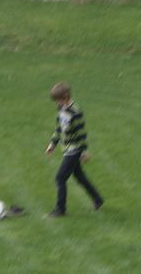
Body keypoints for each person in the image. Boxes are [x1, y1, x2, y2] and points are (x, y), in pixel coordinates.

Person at [45, 82, 103, 217]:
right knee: (79, 176)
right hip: (67, 148)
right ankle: (98, 199)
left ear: (66, 97)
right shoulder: (61, 108)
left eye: (58, 100)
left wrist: (84, 151)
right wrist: (52, 144)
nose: (57, 103)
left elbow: (81, 133)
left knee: (60, 178)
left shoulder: (75, 112)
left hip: (75, 149)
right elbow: (59, 128)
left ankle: (60, 209)